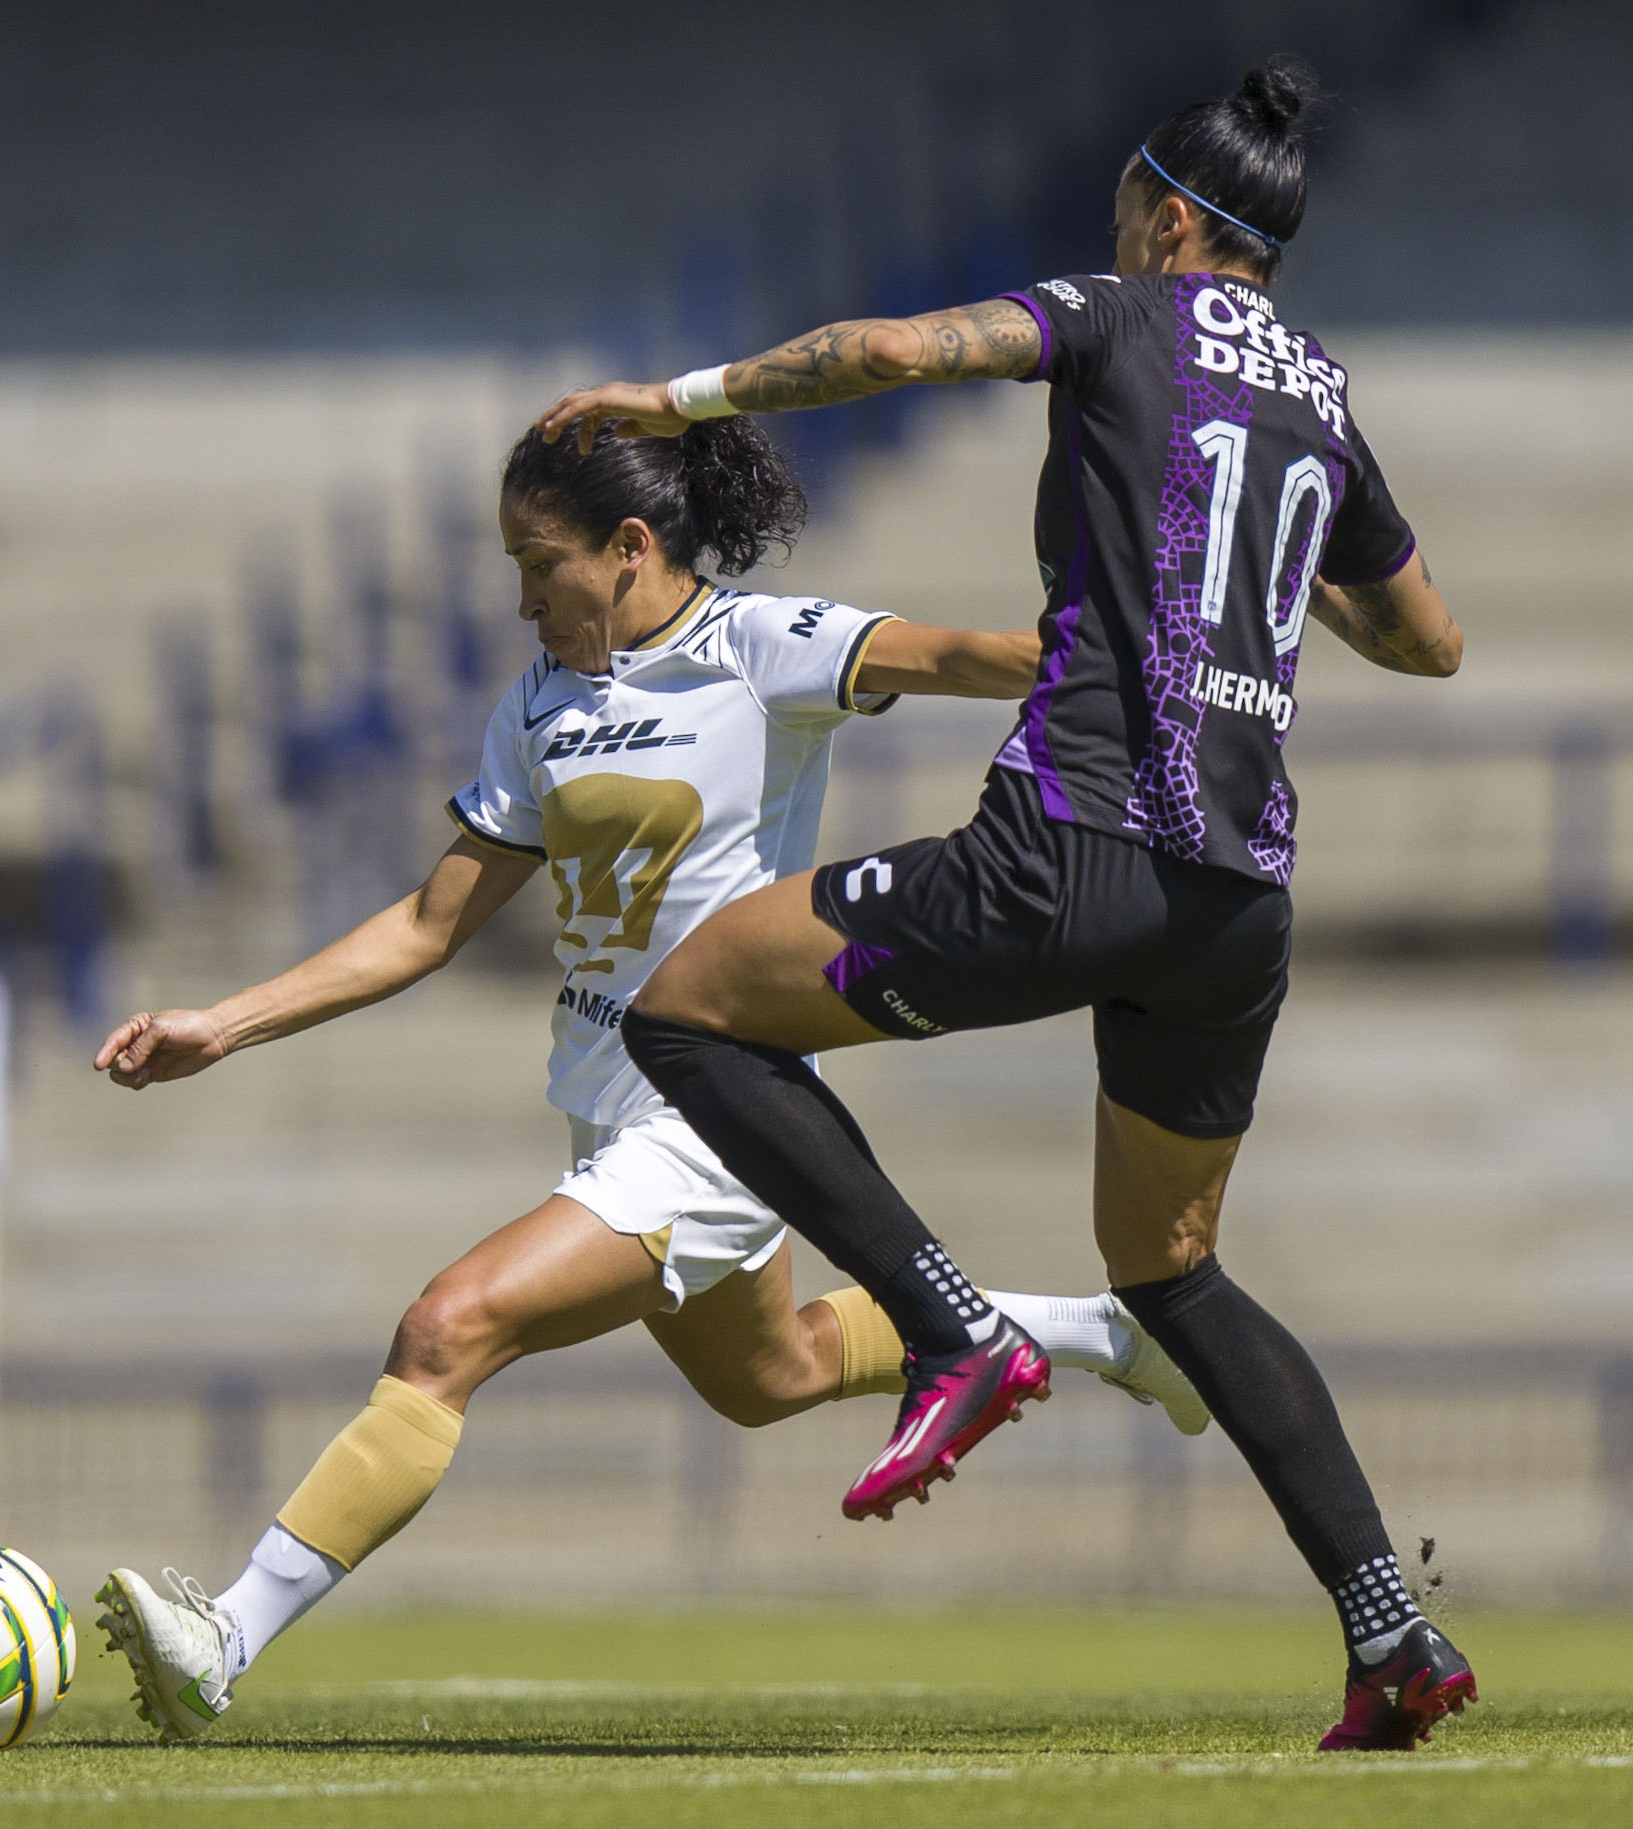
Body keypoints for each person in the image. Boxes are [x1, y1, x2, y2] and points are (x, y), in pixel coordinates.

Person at [534, 56, 1474, 1752]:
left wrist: (676, 401)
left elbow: (897, 353)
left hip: (1075, 844)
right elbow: (1431, 639)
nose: (1112, 228)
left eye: (1124, 207)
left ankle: (953, 1329)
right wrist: (1264, 577)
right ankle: (1389, 1627)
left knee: (686, 1005)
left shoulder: (1120, 313)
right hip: (1237, 902)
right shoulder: (1322, 397)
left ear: (1170, 219)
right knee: (1173, 1269)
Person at [84, 414, 1208, 1743]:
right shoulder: (537, 706)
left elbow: (970, 656)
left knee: (447, 1329)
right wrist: (225, 1022)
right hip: (606, 1108)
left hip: (720, 1108)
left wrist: (1165, 668)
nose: (521, 596)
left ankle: (223, 1637)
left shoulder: (761, 649)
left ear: (628, 546)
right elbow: (428, 924)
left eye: (537, 562)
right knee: (770, 1376)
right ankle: (1112, 1336)